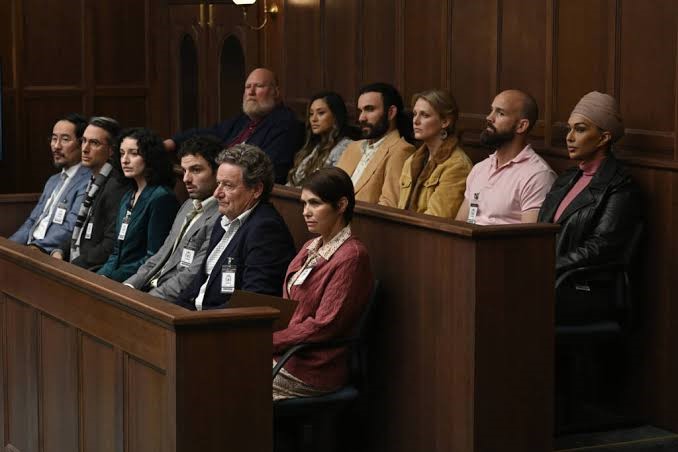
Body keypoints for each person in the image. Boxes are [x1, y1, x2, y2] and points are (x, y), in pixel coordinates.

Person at [538, 91, 642, 323]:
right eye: (569, 129)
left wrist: (546, 267)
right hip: (549, 279)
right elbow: (541, 229)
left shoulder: (620, 185)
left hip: (583, 288)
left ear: (604, 138)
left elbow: (600, 247)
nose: (570, 137)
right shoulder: (567, 178)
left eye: (580, 129)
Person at [273, 167, 373, 400]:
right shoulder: (310, 246)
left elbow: (325, 325)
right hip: (287, 352)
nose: (306, 212)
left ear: (341, 206)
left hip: (314, 365)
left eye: (315, 204)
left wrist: (272, 341)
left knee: (234, 379)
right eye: (304, 204)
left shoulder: (352, 256)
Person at [174, 144, 296, 311]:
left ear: (256, 189)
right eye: (218, 183)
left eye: (228, 186)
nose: (217, 193)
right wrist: (174, 312)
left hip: (223, 329)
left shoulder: (265, 229)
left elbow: (252, 303)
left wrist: (194, 321)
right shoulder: (223, 220)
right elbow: (199, 283)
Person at [123, 135, 222, 302]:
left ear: (218, 172)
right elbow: (161, 254)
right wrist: (128, 287)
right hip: (150, 289)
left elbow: (191, 275)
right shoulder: (188, 205)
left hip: (172, 301)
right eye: (184, 171)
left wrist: (146, 300)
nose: (186, 179)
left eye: (196, 170)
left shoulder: (221, 217)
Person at [165, 68, 305, 184]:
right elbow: (211, 132)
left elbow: (269, 169)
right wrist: (173, 142)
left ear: (276, 92)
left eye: (259, 86)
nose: (251, 92)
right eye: (248, 87)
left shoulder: (285, 123)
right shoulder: (244, 119)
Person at [455, 89, 556, 224]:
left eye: (500, 113)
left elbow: (531, 240)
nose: (489, 118)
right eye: (491, 110)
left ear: (521, 126)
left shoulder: (538, 175)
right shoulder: (480, 168)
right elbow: (460, 224)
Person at [97, 128, 179, 282]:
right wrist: (101, 276)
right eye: (122, 153)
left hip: (138, 283)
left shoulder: (161, 198)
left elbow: (153, 256)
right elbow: (117, 251)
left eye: (133, 153)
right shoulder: (128, 195)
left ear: (150, 158)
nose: (125, 160)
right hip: (114, 279)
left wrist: (110, 279)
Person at [51, 116, 128, 270]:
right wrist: (60, 250)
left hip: (93, 271)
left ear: (112, 150)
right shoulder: (94, 180)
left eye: (94, 143)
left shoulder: (116, 186)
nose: (85, 149)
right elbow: (81, 228)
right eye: (84, 141)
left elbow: (110, 244)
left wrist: (74, 265)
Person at [10, 114, 91, 253]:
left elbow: (70, 226)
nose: (56, 146)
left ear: (81, 143)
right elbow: (32, 221)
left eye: (65, 139)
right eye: (54, 139)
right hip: (29, 248)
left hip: (48, 253)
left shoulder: (87, 180)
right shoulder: (53, 180)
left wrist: (37, 247)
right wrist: (10, 246)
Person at [336, 82, 415, 207]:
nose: (361, 118)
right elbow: (330, 189)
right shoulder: (353, 147)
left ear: (391, 113)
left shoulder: (401, 150)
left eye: (369, 109)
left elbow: (388, 207)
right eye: (360, 111)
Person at [398, 89, 472, 218]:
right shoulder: (412, 160)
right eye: (414, 114)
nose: (415, 121)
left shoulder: (457, 165)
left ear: (445, 122)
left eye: (425, 115)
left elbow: (438, 219)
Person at [286, 91, 353, 187]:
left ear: (335, 116)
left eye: (321, 113)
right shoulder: (315, 147)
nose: (314, 119)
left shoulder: (346, 147)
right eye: (311, 114)